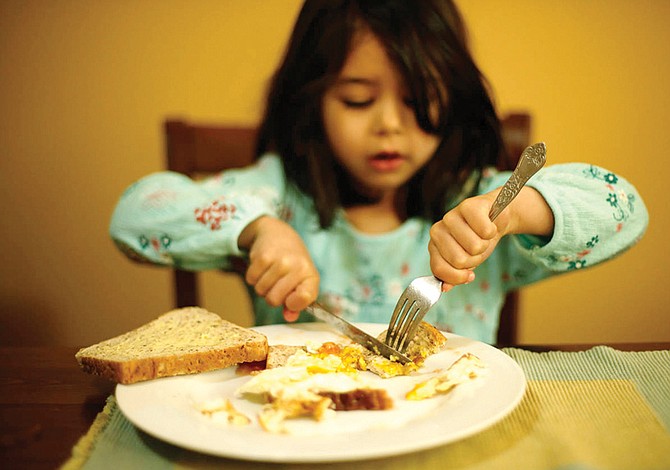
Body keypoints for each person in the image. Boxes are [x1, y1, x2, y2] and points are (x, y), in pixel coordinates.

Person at [110, 0, 648, 344]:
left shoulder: (479, 203)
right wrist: (257, 231)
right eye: (358, 99)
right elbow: (136, 212)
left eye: (417, 100)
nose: (389, 125)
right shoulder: (276, 197)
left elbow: (627, 209)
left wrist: (518, 211)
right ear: (312, 102)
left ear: (453, 100)